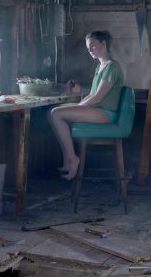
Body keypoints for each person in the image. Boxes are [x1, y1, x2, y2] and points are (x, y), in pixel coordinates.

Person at [48, 30, 124, 181]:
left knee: (56, 113)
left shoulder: (112, 67)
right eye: (88, 47)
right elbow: (91, 94)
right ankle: (67, 158)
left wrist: (78, 107)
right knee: (51, 111)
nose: (89, 50)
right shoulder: (100, 66)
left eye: (93, 45)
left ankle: (73, 159)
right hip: (96, 109)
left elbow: (98, 97)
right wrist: (78, 104)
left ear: (104, 44)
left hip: (105, 113)